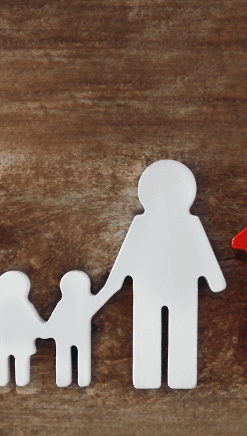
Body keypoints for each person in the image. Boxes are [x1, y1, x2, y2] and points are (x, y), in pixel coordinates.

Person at [98, 159, 228, 389]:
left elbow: (127, 260)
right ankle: (157, 376)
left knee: (170, 329)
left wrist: (113, 284)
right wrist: (215, 280)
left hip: (173, 290)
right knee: (159, 329)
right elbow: (128, 256)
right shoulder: (154, 224)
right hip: (166, 289)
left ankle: (170, 376)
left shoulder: (185, 223)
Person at [44, 270, 116, 387]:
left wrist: (46, 330)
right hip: (75, 337)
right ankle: (75, 379)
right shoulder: (76, 303)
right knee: (78, 355)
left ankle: (70, 379)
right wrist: (112, 288)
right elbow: (101, 299)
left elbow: (53, 321)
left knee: (69, 355)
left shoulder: (66, 303)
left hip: (69, 337)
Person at [0, 271, 44, 387]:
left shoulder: (0, 304)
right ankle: (13, 380)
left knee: (13, 360)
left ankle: (12, 380)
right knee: (13, 360)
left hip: (10, 341)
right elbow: (36, 325)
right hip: (14, 342)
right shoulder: (24, 306)